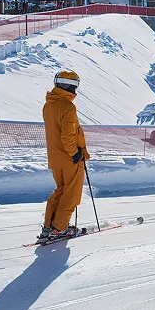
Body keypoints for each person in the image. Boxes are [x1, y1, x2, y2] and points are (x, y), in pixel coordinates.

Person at [41, 70, 89, 243]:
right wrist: (75, 153)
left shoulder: (49, 105)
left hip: (55, 158)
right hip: (69, 158)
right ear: (70, 87)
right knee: (71, 194)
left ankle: (49, 227)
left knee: (60, 190)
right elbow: (68, 136)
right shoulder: (67, 106)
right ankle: (60, 228)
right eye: (75, 87)